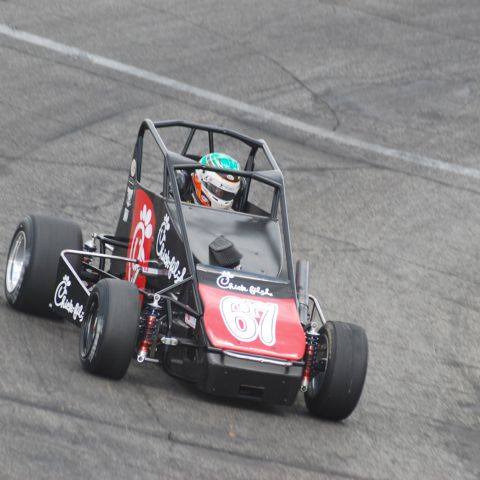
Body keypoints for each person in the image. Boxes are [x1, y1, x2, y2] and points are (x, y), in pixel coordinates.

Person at [177, 152, 242, 209]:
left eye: (227, 193)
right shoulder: (181, 198)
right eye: (218, 190)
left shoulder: (232, 214)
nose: (222, 195)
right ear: (202, 179)